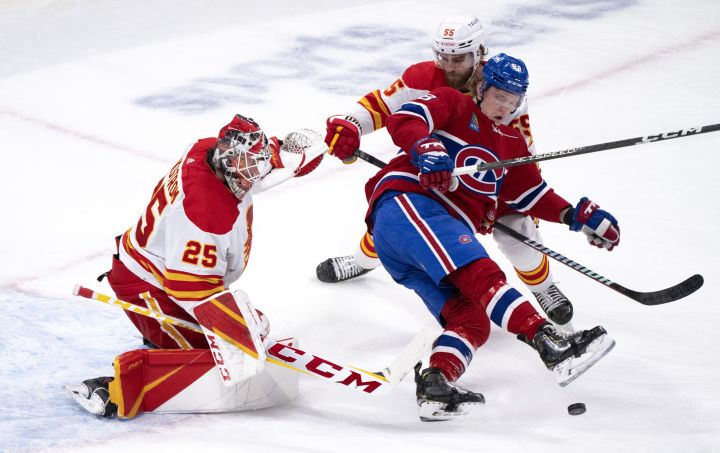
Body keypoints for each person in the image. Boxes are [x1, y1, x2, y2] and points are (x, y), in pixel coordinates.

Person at [362, 53, 618, 421]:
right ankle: (550, 344)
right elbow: (406, 118)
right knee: (482, 273)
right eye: (501, 96)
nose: (507, 107)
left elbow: (533, 196)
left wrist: (578, 217)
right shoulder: (453, 104)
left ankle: (436, 383)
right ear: (482, 88)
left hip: (421, 242)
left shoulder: (512, 145)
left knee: (471, 319)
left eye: (515, 101)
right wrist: (425, 147)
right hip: (410, 206)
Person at [317, 14, 575, 326]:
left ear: (479, 52)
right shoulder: (423, 76)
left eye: (460, 58)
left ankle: (544, 287)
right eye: (445, 57)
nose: (450, 66)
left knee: (519, 231)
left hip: (485, 174)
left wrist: (511, 200)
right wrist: (352, 124)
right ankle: (362, 261)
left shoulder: (500, 87)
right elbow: (382, 106)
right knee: (398, 215)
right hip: (431, 162)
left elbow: (519, 153)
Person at [66, 115, 322, 418]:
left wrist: (282, 156)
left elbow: (246, 168)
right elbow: (189, 289)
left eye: (257, 164)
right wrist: (239, 336)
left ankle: (168, 336)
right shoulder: (203, 214)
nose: (253, 176)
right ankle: (115, 388)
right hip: (151, 287)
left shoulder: (205, 150)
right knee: (244, 340)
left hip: (160, 265)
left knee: (254, 329)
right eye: (250, 167)